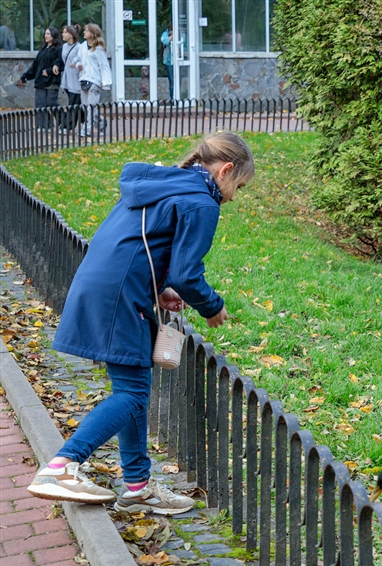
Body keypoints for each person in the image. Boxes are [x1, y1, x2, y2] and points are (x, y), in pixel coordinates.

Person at [27, 131, 255, 515]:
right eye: (239, 186)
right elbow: (187, 274)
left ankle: (137, 487)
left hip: (103, 284)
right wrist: (212, 306)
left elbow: (138, 242)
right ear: (226, 170)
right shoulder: (201, 202)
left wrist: (158, 288)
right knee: (132, 394)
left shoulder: (160, 184)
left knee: (133, 389)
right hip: (121, 295)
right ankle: (61, 467)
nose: (234, 196)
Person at [16, 27, 62, 131]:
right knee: (40, 104)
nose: (46, 36)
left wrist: (49, 71)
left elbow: (59, 62)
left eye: (48, 34)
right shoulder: (43, 49)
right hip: (40, 81)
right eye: (45, 34)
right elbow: (35, 66)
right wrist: (26, 76)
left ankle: (63, 121)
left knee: (51, 102)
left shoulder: (58, 49)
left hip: (52, 81)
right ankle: (44, 125)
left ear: (54, 36)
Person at [77, 23, 111, 138]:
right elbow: (78, 58)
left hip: (94, 81)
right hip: (83, 79)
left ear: (92, 34)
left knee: (91, 107)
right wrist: (78, 65)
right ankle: (101, 122)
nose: (84, 32)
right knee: (85, 107)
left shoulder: (99, 49)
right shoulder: (82, 46)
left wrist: (106, 83)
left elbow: (104, 66)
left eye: (86, 31)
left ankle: (86, 130)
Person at [55, 24, 83, 134]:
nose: (63, 34)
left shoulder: (79, 47)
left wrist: (77, 65)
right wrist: (56, 66)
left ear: (71, 35)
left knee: (73, 103)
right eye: (63, 32)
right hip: (67, 78)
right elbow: (62, 60)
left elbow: (81, 60)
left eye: (65, 32)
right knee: (79, 106)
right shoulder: (64, 47)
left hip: (76, 79)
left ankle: (67, 126)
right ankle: (97, 121)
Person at [160, 24, 174, 100]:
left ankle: (178, 97)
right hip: (168, 62)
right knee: (172, 81)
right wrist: (170, 38)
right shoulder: (165, 34)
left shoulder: (182, 33)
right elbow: (164, 41)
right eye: (171, 30)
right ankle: (173, 99)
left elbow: (185, 44)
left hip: (178, 61)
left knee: (178, 81)